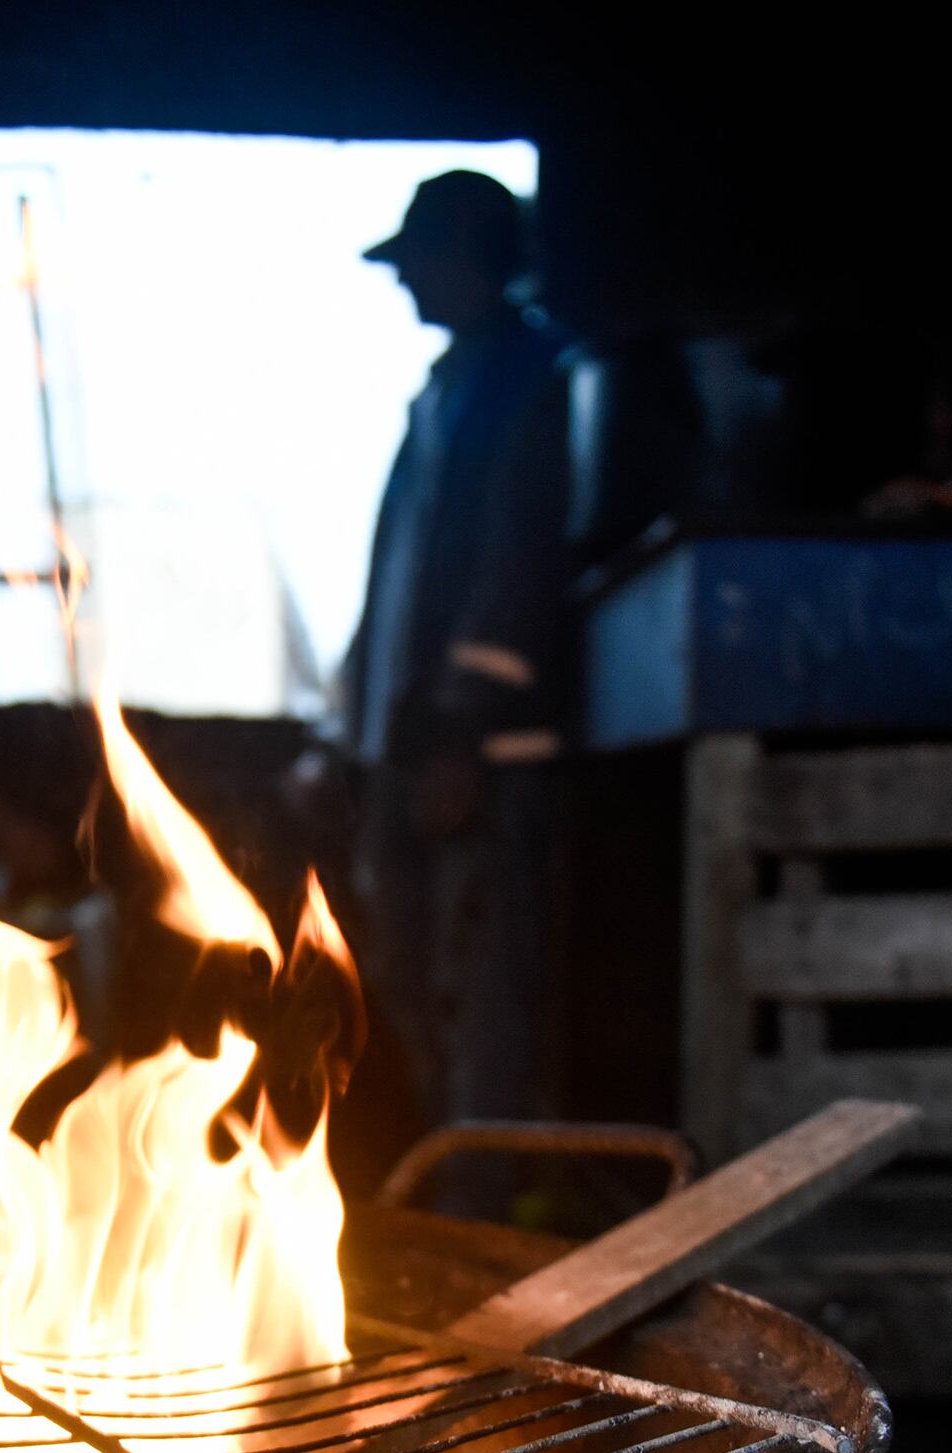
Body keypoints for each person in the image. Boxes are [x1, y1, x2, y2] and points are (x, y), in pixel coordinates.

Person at [313, 169, 577, 1160]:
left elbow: (518, 565)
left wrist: (462, 728)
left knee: (485, 991)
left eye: (417, 259)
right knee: (414, 982)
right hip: (413, 749)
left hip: (477, 754)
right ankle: (453, 1176)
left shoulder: (530, 381)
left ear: (470, 259)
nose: (404, 280)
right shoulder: (445, 392)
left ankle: (485, 1200)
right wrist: (348, 731)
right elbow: (399, 580)